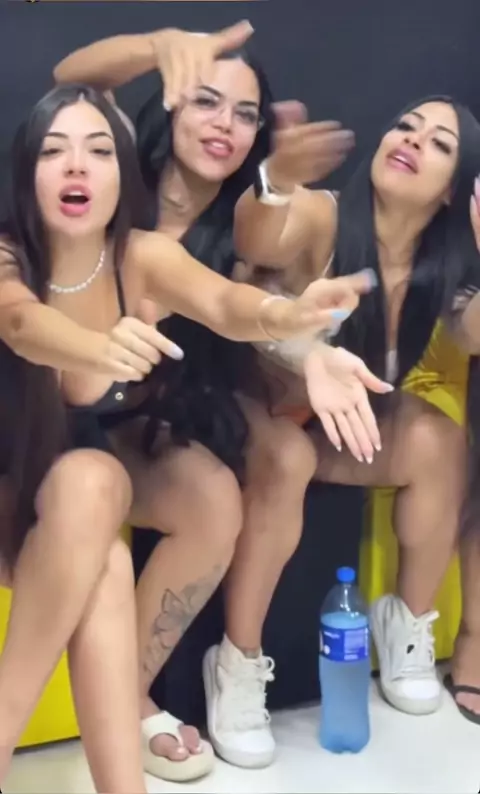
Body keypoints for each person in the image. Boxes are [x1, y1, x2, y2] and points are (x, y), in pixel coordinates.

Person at [0, 80, 374, 788]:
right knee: (97, 503)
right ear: (27, 172)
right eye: (54, 151)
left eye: (98, 151)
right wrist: (96, 348)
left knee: (100, 514)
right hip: (11, 484)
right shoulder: (9, 255)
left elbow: (225, 303)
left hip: (67, 501)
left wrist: (293, 319)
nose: (77, 166)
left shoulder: (139, 256)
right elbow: (20, 323)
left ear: (122, 175)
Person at [232, 96, 480, 732]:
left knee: (441, 441)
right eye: (405, 126)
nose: (413, 140)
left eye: (440, 143)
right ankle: (237, 663)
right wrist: (276, 179)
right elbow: (255, 239)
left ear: (452, 191)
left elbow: (475, 334)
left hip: (336, 429)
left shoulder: (444, 264)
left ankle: (406, 629)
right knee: (287, 455)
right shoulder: (324, 214)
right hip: (253, 411)